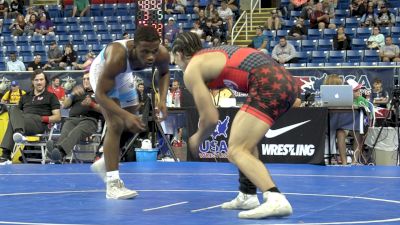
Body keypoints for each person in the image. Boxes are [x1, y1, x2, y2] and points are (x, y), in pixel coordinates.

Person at [171, 32, 295, 219]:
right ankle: (247, 194)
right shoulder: (210, 55)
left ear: (179, 54)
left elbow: (211, 118)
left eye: (175, 60)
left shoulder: (192, 69)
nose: (176, 65)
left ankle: (275, 198)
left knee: (236, 149)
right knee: (244, 141)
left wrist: (197, 137)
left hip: (268, 81)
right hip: (284, 81)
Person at [89, 26, 170, 200]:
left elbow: (164, 73)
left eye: (154, 51)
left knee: (134, 124)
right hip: (104, 72)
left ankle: (105, 162)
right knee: (117, 123)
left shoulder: (161, 53)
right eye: (145, 52)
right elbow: (101, 95)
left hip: (124, 74)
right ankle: (112, 184)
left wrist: (162, 99)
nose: (150, 57)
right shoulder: (118, 56)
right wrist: (125, 115)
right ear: (133, 46)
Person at [0, 69, 61, 163]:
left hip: (38, 122)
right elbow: (16, 113)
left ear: (45, 81)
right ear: (33, 81)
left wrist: (43, 118)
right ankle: (18, 134)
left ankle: (6, 154)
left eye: (41, 79)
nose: (39, 82)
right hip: (23, 122)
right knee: (13, 109)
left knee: (13, 122)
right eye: (36, 80)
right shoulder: (25, 96)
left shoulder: (51, 96)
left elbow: (57, 117)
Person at [47, 72, 102, 163]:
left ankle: (59, 151)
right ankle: (57, 153)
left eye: (88, 79)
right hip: (72, 119)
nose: (85, 81)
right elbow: (64, 105)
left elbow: (105, 110)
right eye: (84, 79)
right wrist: (72, 94)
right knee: (65, 131)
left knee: (77, 131)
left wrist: (92, 104)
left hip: (89, 121)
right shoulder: (78, 91)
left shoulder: (100, 92)